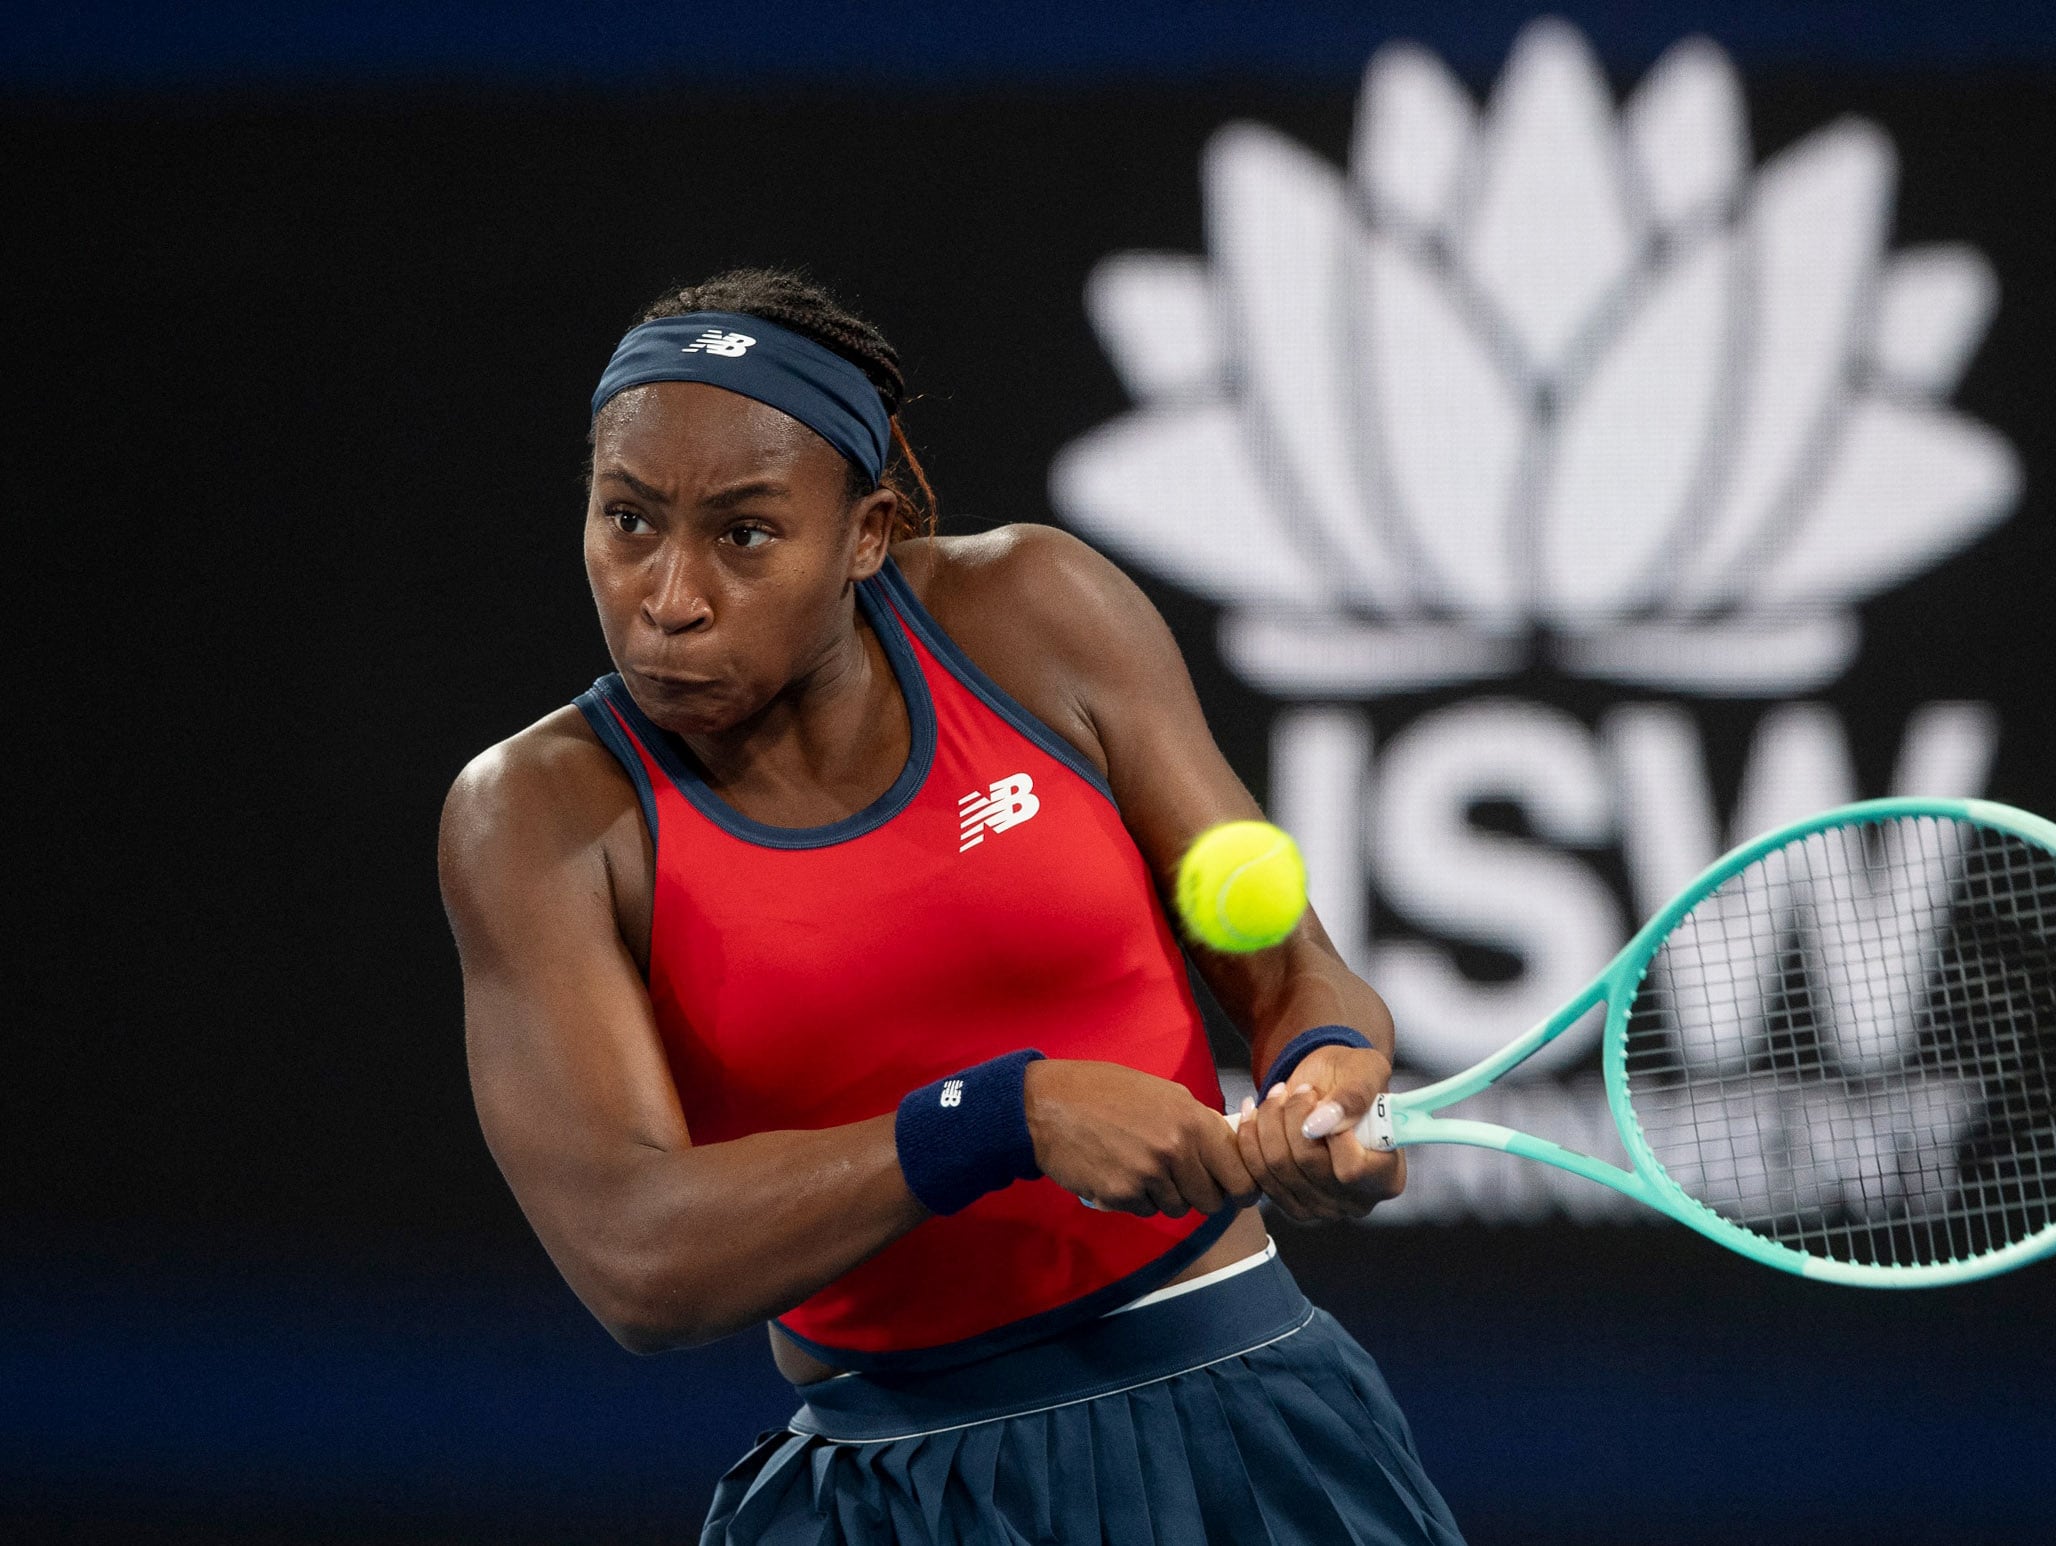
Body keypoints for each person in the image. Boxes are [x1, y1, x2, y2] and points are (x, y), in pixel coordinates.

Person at [438, 267, 1465, 1544]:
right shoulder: (534, 815)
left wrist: (1320, 1070)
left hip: (1244, 1427)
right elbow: (635, 1257)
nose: (668, 596)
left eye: (744, 533)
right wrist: (1004, 1116)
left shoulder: (1035, 611)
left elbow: (1293, 971)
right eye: (627, 521)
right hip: (883, 1495)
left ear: (865, 534)